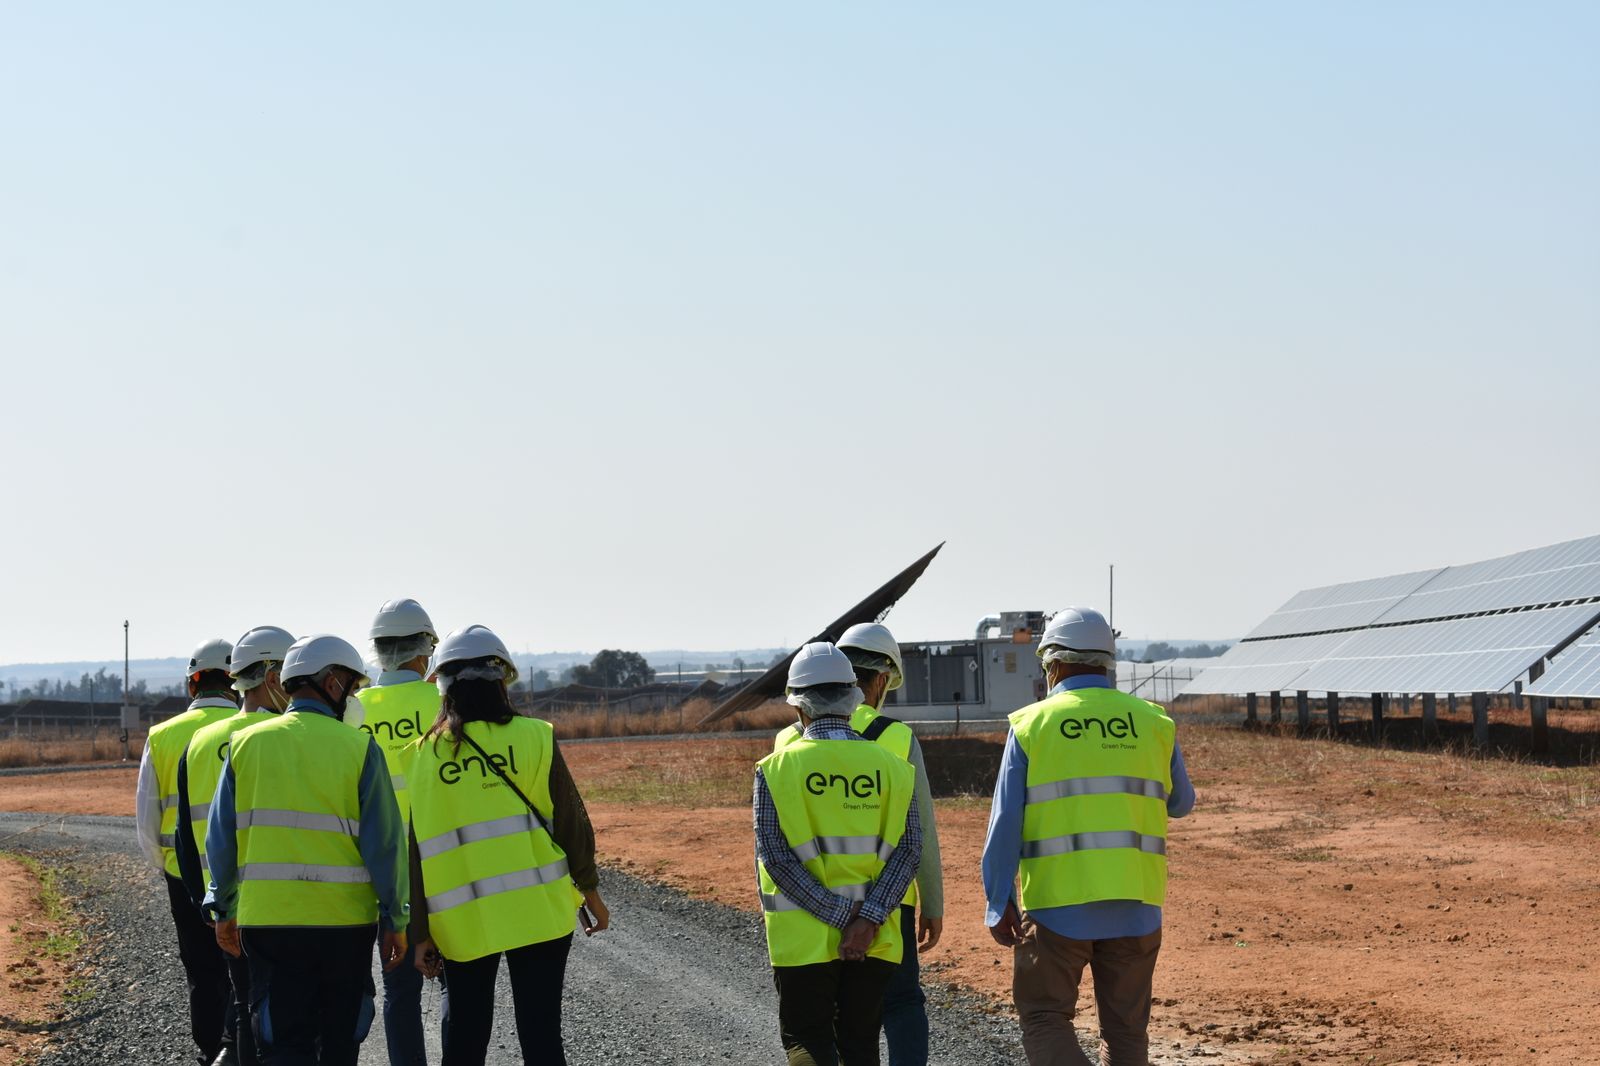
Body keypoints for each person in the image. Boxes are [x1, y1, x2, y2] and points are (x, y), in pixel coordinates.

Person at [981, 608, 1196, 1066]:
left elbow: (1005, 825)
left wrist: (998, 901)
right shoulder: (1154, 722)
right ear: (1108, 661)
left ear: (1051, 663)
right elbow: (1181, 803)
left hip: (1059, 908)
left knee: (1043, 1017)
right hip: (1137, 907)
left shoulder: (1031, 726)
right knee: (1126, 1034)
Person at [405, 624, 608, 1066]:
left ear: (443, 686)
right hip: (540, 913)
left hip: (464, 922)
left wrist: (419, 931)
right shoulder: (536, 735)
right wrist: (590, 891)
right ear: (502, 681)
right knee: (541, 1038)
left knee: (465, 1040)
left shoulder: (423, 755)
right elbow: (572, 824)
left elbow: (416, 852)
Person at [204, 634, 409, 1066]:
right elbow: (385, 845)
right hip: (345, 926)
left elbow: (220, 838)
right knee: (339, 1043)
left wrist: (222, 907)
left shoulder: (245, 745)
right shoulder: (359, 748)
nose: (353, 695)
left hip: (270, 924)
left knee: (282, 1045)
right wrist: (395, 917)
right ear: (331, 683)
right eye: (352, 686)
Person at [774, 623, 943, 1066]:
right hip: (885, 906)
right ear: (880, 680)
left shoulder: (784, 746)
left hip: (806, 911)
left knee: (814, 1030)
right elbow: (917, 835)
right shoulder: (897, 741)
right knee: (896, 1005)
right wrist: (933, 902)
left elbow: (775, 848)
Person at [174, 626, 296, 1066]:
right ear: (272, 676)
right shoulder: (287, 739)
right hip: (284, 905)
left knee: (244, 1009)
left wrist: (205, 902)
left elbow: (184, 838)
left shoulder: (200, 742)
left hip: (226, 904)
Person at [136, 637, 241, 1066]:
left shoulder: (163, 736)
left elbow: (147, 813)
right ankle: (242, 1047)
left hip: (185, 876)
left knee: (201, 970)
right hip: (246, 874)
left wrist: (167, 865)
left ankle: (209, 1050)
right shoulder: (253, 728)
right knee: (244, 969)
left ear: (192, 684)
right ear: (234, 681)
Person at [347, 598, 442, 1066]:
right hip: (437, 864)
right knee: (454, 981)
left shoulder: (352, 710)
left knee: (396, 991)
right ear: (426, 651)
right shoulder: (443, 703)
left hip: (367, 867)